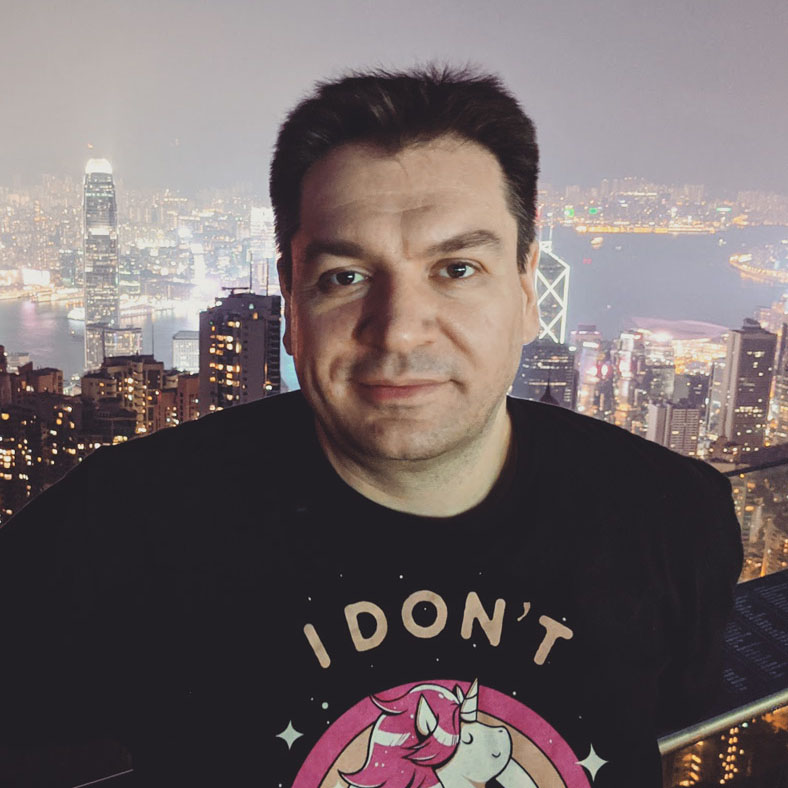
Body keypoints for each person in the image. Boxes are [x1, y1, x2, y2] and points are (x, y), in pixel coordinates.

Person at [0, 66, 742, 788]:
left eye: (457, 269)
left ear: (527, 291)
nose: (399, 330)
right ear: (291, 305)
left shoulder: (674, 515)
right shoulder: (122, 527)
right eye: (345, 277)